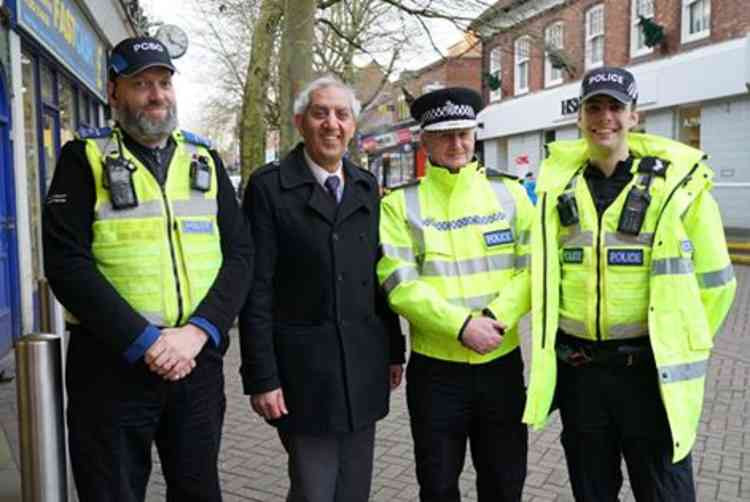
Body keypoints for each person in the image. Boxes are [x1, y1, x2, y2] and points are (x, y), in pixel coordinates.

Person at [42, 36, 252, 502]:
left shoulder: (205, 158)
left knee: (198, 491)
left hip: (195, 363)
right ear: (114, 91)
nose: (157, 95)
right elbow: (65, 264)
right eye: (142, 84)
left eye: (163, 83)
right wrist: (147, 342)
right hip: (112, 365)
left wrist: (199, 331)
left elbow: (240, 255)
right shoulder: (83, 159)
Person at [522, 66, 737, 501]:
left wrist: (679, 342)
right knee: (592, 492)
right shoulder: (556, 187)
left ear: (634, 116)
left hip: (648, 380)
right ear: (579, 119)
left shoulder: (678, 188)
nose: (605, 118)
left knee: (664, 493)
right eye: (594, 108)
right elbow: (541, 276)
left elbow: (718, 283)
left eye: (616, 107)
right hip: (582, 377)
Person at [239, 76, 405, 502]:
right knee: (314, 490)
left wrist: (393, 350)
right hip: (303, 375)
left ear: (353, 126)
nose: (332, 123)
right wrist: (262, 376)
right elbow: (256, 289)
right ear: (300, 121)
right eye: (320, 113)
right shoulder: (269, 187)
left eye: (342, 114)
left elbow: (378, 278)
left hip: (362, 367)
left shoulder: (366, 187)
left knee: (354, 490)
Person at [377, 87, 533, 501]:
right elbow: (400, 284)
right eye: (445, 135)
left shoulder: (512, 194)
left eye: (464, 132)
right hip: (436, 375)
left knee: (504, 483)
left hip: (500, 365)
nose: (457, 143)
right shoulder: (399, 205)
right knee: (438, 486)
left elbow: (534, 269)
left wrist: (493, 319)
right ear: (425, 140)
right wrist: (463, 327)